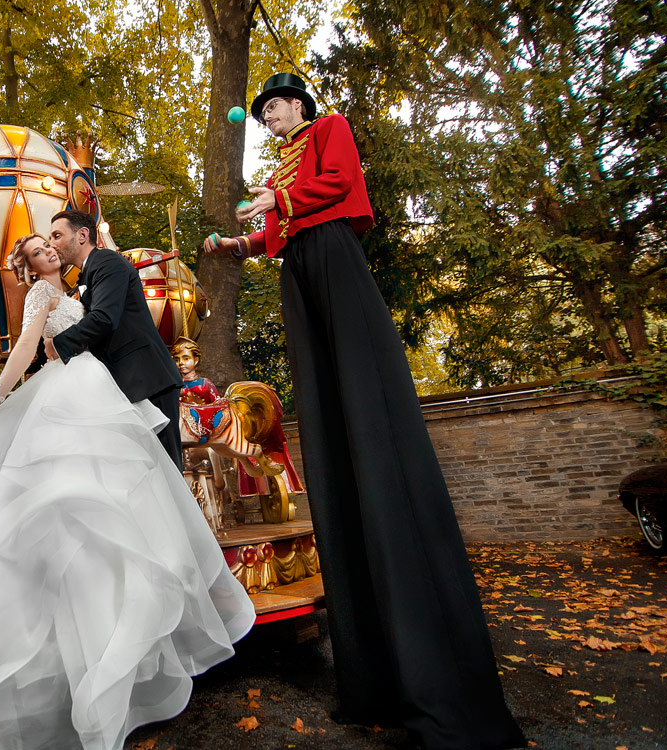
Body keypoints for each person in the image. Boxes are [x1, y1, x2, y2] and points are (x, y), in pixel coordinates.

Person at [204, 73, 525, 750]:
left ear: (300, 105)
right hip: (297, 271)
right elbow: (277, 227)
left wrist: (279, 197)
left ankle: (433, 681)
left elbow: (339, 185)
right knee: (324, 417)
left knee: (364, 399)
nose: (268, 117)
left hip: (335, 254)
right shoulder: (281, 164)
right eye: (261, 112)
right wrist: (242, 245)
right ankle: (371, 679)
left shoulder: (329, 129)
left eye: (275, 106)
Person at [0, 232, 255, 750]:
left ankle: (115, 649)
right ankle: (67, 670)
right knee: (67, 503)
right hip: (67, 391)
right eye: (38, 248)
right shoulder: (42, 295)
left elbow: (104, 321)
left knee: (116, 506)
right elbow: (25, 346)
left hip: (96, 387)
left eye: (49, 242)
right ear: (27, 265)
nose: (46, 248)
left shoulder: (80, 290)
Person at [45, 210, 185, 470]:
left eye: (57, 235)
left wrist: (59, 344)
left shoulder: (107, 262)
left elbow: (104, 319)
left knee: (166, 471)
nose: (51, 244)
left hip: (148, 380)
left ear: (83, 235)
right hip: (126, 384)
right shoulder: (85, 276)